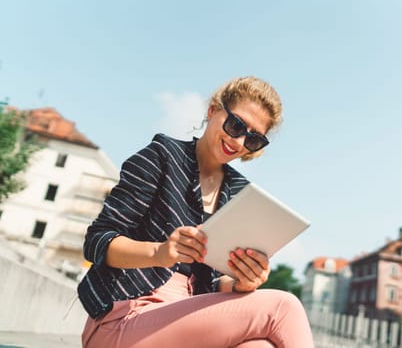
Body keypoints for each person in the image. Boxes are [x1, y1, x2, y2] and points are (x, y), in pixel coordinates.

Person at [77, 76, 314, 348]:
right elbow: (96, 241)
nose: (238, 141)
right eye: (236, 125)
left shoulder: (239, 193)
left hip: (190, 320)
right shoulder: (163, 156)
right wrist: (159, 252)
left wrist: (243, 282)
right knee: (283, 307)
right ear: (213, 110)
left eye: (253, 139)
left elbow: (215, 283)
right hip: (125, 318)